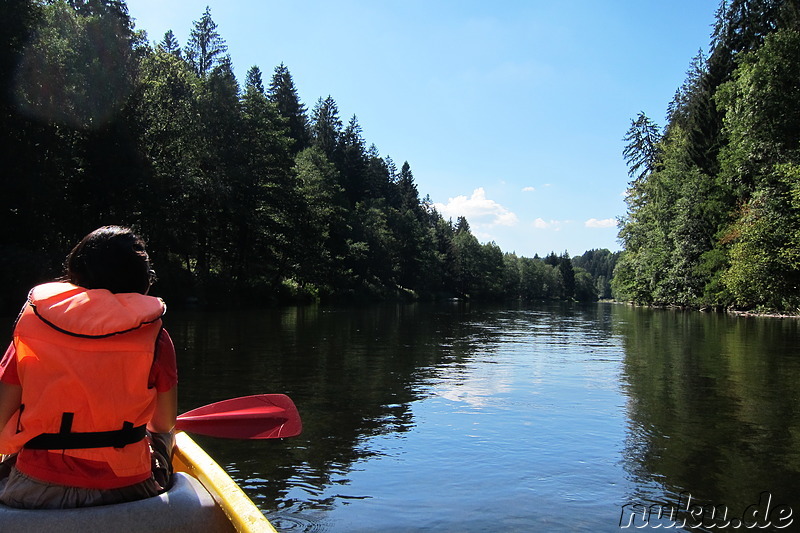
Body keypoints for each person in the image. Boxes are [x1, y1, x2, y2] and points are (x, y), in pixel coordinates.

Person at [0, 226, 178, 509]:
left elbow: (1, 421)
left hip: (34, 489)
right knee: (165, 436)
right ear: (142, 278)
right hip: (127, 487)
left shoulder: (33, 324)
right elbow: (163, 423)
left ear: (76, 270)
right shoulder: (155, 335)